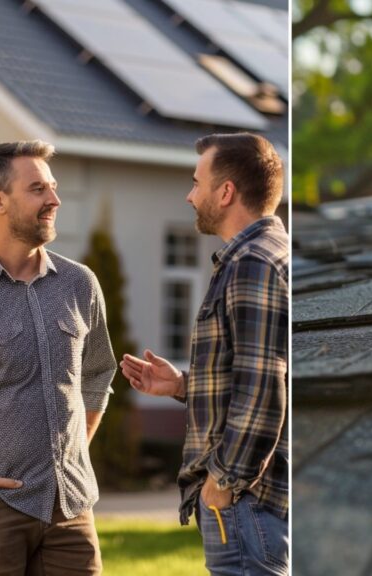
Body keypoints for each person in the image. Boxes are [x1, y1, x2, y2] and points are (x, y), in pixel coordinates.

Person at [119, 133, 288, 575]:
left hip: (247, 502)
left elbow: (264, 390)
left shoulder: (253, 263)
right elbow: (257, 374)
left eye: (197, 183)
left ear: (226, 192)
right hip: (250, 501)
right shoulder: (260, 257)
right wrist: (180, 385)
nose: (190, 195)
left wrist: (223, 483)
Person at [0, 140, 116, 575]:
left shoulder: (81, 284)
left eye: (54, 187)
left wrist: (74, 454)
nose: (55, 200)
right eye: (39, 189)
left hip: (72, 508)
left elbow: (98, 373)